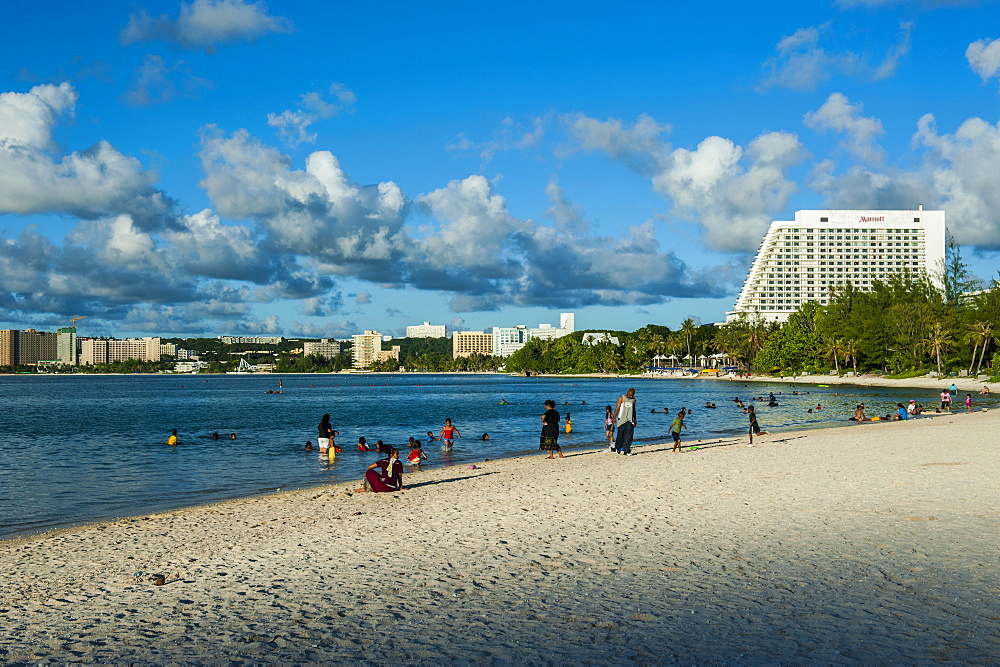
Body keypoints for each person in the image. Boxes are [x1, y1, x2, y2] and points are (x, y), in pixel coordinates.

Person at [614, 388, 637, 456]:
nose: (631, 396)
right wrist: (614, 418)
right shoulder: (621, 398)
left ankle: (626, 450)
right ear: (627, 393)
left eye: (632, 395)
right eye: (630, 395)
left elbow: (634, 410)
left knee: (629, 436)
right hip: (622, 419)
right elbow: (617, 408)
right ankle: (618, 448)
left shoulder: (633, 400)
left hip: (630, 420)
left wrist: (635, 419)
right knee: (620, 435)